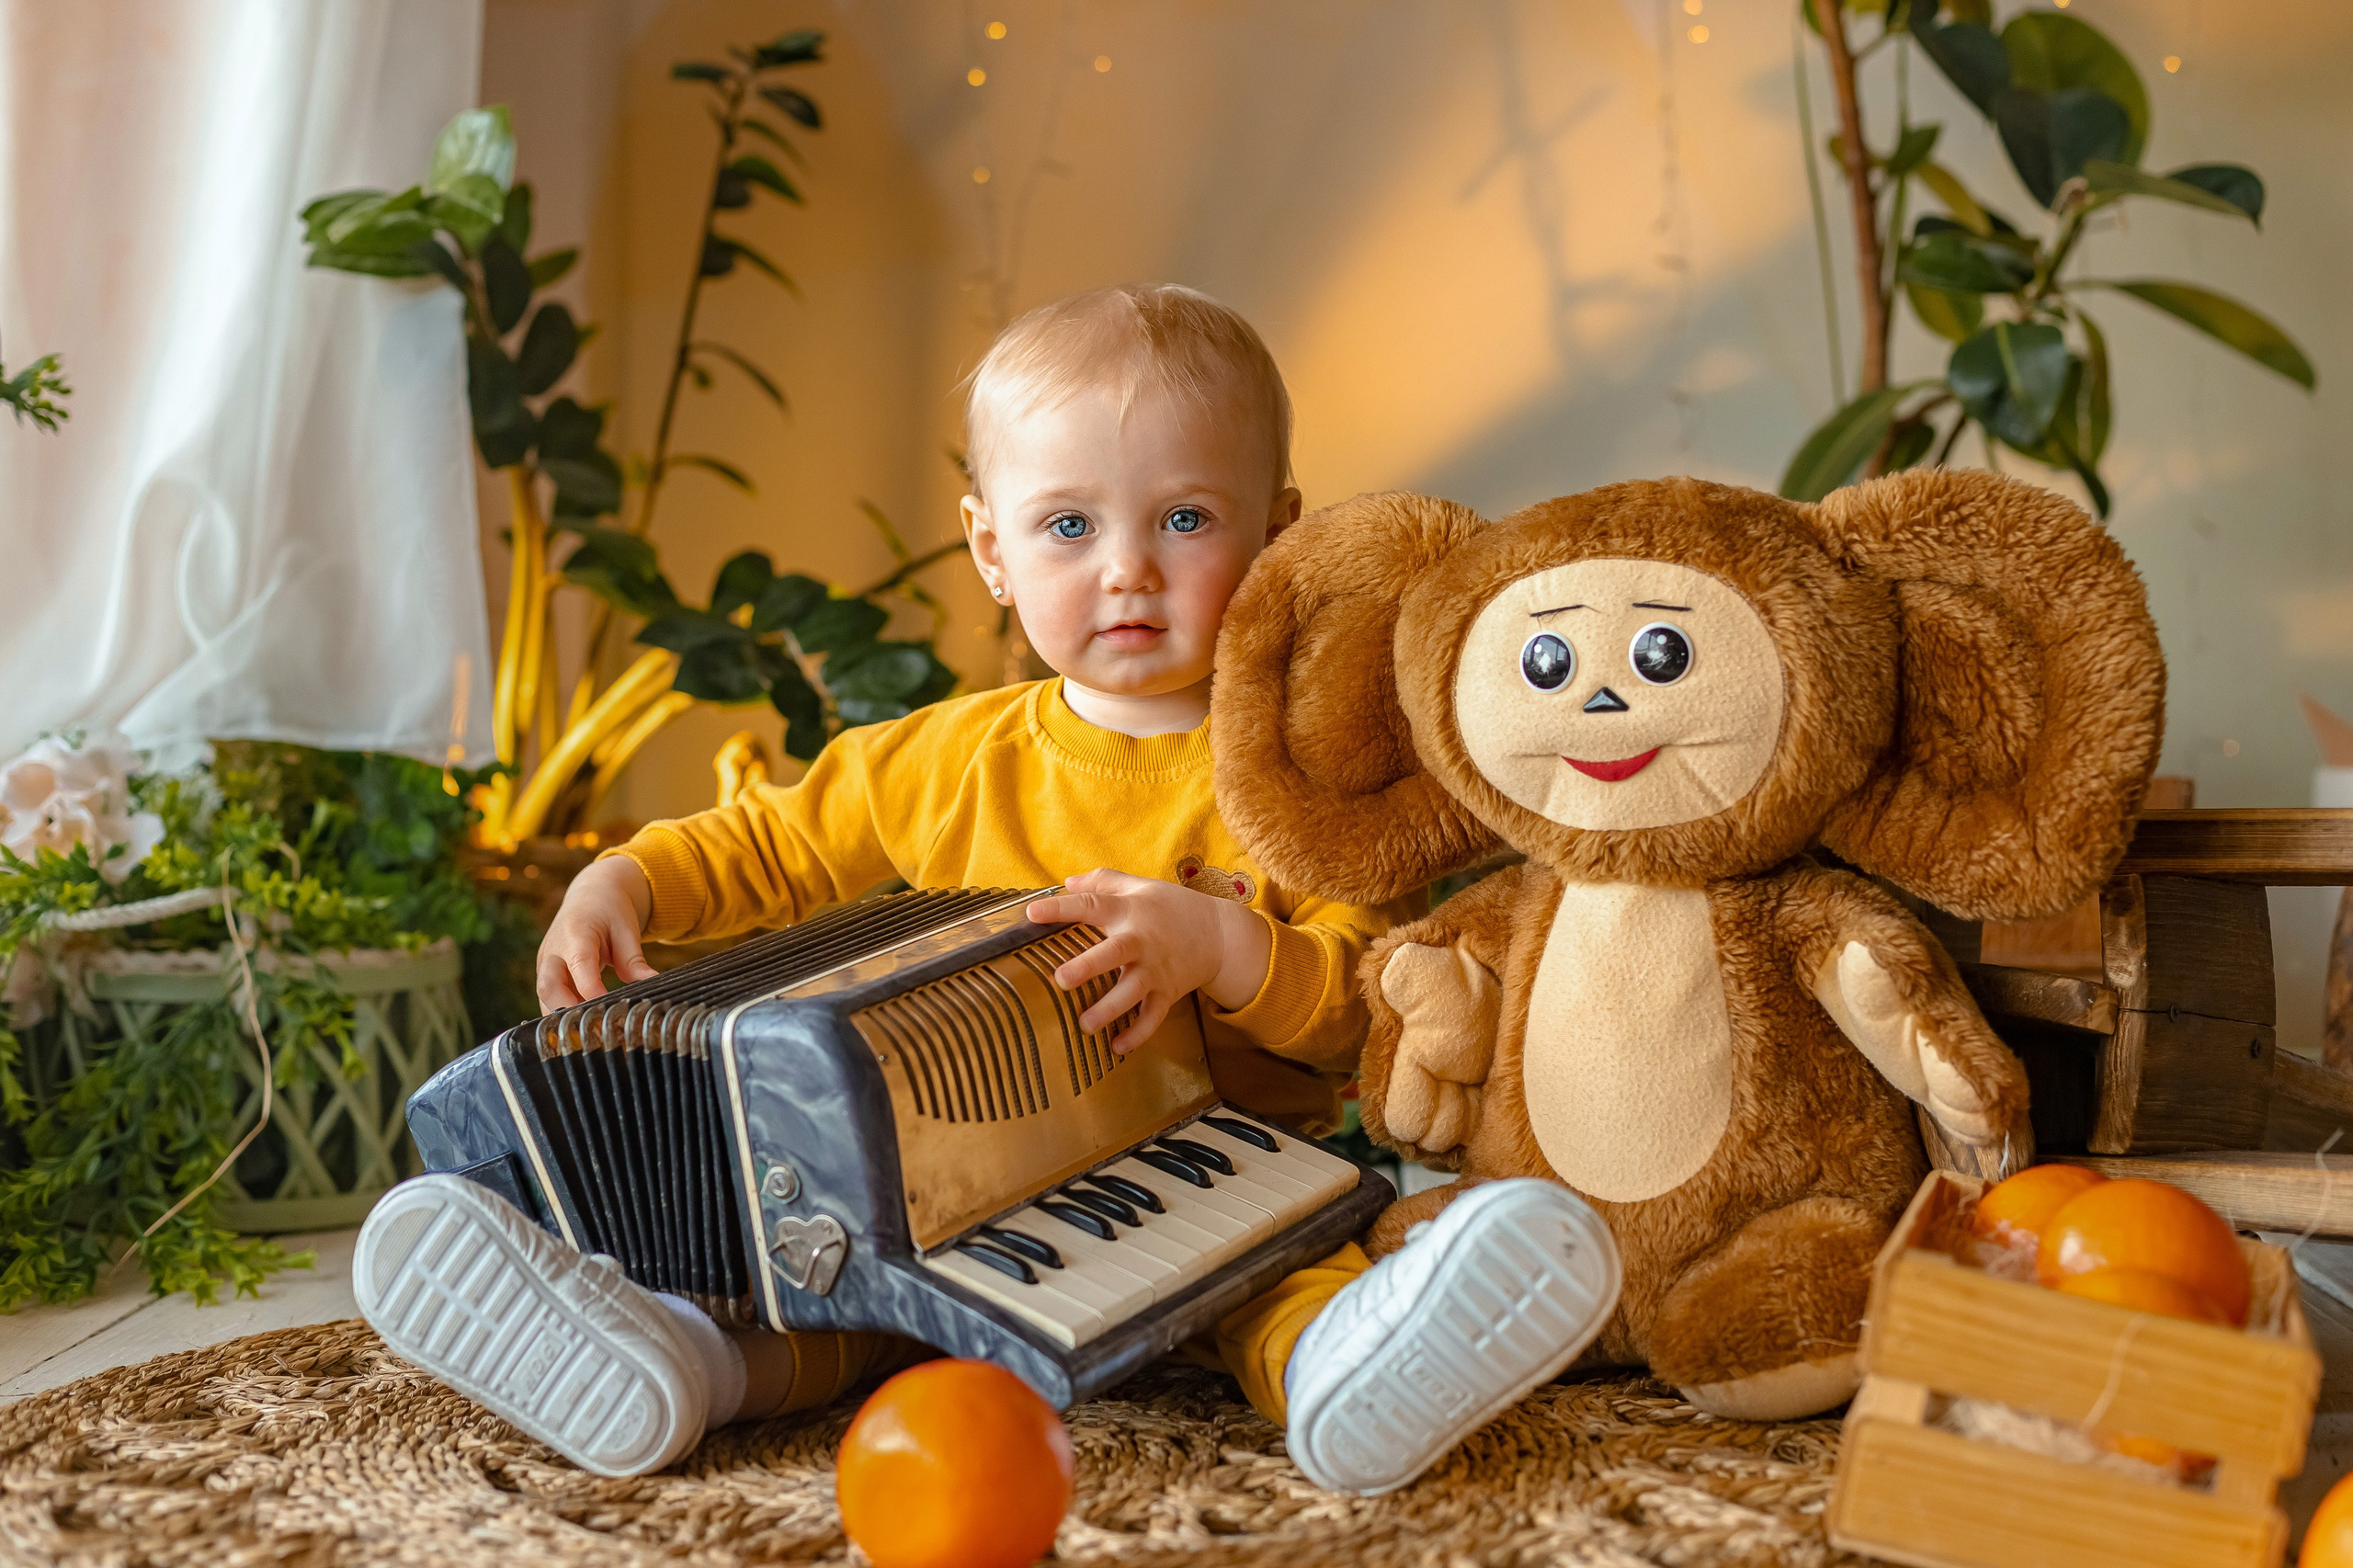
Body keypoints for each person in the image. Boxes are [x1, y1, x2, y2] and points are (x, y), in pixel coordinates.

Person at [354, 283, 1618, 1492]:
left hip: (1216, 1172)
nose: (1127, 569)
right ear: (991, 549)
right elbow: (776, 840)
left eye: (1184, 519)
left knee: (1276, 1283)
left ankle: (1355, 1368)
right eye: (1070, 525)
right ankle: (671, 1360)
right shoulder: (948, 758)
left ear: (1277, 533)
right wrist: (626, 876)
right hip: (943, 1213)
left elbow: (1361, 1014)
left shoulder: (1293, 781)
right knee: (836, 1301)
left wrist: (1220, 948)